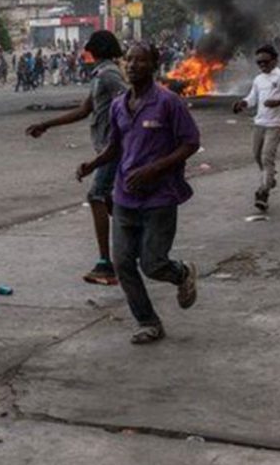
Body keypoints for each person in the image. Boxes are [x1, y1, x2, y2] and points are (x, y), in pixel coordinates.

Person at [74, 43, 201, 344]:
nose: (131, 66)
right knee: (122, 264)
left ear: (154, 65)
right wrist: (92, 164)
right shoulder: (119, 104)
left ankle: (181, 273)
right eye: (128, 60)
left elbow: (190, 143)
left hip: (159, 198)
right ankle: (148, 322)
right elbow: (115, 146)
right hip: (124, 197)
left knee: (153, 264)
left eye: (140, 61)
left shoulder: (169, 102)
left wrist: (154, 170)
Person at [27, 30, 127, 286]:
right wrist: (46, 124)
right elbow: (85, 110)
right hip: (105, 147)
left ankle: (107, 264)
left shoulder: (109, 74)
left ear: (97, 49)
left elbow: (128, 102)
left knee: (95, 196)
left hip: (112, 148)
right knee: (110, 201)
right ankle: (133, 243)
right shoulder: (100, 75)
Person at [232, 44, 280, 212]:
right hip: (259, 123)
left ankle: (263, 193)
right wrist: (243, 103)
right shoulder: (259, 79)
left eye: (265, 62)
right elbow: (253, 98)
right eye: (259, 63)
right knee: (257, 156)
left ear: (274, 60)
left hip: (276, 124)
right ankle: (270, 178)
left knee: (267, 158)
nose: (262, 65)